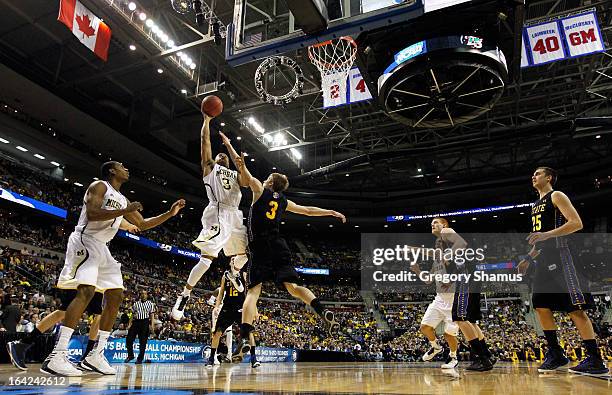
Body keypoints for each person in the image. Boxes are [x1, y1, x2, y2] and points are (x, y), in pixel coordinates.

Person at [42, 161, 185, 376]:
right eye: (122, 166)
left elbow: (143, 224)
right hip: (86, 240)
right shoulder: (99, 186)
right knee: (87, 291)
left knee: (116, 295)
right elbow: (92, 213)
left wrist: (169, 213)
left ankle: (95, 355)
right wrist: (125, 210)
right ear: (112, 171)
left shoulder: (122, 198)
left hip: (103, 247)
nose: (126, 168)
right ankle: (57, 355)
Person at [223, 136, 346, 361]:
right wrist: (330, 212)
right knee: (293, 287)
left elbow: (242, 169)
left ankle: (243, 336)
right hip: (279, 245)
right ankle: (320, 308)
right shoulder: (284, 201)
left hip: (259, 245)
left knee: (253, 292)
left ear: (270, 182)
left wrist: (229, 145)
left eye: (268, 177)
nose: (266, 178)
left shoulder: (260, 189)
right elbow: (308, 210)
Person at [7, 220, 139, 371]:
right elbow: (104, 216)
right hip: (84, 260)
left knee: (96, 313)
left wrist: (129, 225)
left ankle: (88, 356)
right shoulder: (97, 209)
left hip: (94, 264)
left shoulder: (111, 216)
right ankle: (24, 344)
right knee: (67, 311)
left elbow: (117, 220)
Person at [518, 167, 607, 375]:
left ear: (549, 177)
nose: (533, 176)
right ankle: (556, 353)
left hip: (563, 256)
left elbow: (576, 223)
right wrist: (528, 258)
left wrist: (547, 235)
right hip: (544, 260)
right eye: (533, 174)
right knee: (540, 304)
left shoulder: (556, 195)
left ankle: (595, 359)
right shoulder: (535, 205)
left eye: (538, 173)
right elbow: (540, 240)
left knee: (575, 308)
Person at [172, 114, 249, 321]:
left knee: (244, 255)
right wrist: (206, 122)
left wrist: (232, 150)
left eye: (225, 156)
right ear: (214, 161)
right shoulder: (210, 169)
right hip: (218, 213)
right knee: (207, 259)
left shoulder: (236, 175)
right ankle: (185, 295)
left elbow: (245, 176)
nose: (221, 156)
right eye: (219, 155)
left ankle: (233, 273)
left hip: (235, 214)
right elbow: (205, 143)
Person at [409, 218, 459, 369]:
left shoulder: (452, 246)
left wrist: (416, 249)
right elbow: (428, 281)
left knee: (449, 334)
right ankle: (436, 347)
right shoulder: (436, 261)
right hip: (439, 299)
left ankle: (453, 358)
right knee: (425, 327)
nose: (432, 224)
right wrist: (418, 271)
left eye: (435, 222)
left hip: (453, 299)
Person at [206, 271, 260, 368]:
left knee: (250, 333)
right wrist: (217, 306)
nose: (234, 260)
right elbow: (221, 292)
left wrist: (255, 309)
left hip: (242, 308)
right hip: (227, 308)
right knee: (217, 333)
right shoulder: (225, 275)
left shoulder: (244, 274)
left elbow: (251, 293)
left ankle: (254, 359)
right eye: (232, 259)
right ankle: (211, 359)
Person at [125, 290, 156, 364]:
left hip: (145, 322)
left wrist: (152, 325)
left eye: (145, 294)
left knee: (143, 342)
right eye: (142, 293)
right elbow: (132, 314)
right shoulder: (136, 304)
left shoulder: (150, 304)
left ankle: (140, 359)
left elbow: (152, 315)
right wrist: (129, 324)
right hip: (136, 322)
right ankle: (130, 355)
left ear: (147, 295)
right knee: (129, 339)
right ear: (140, 295)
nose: (143, 295)